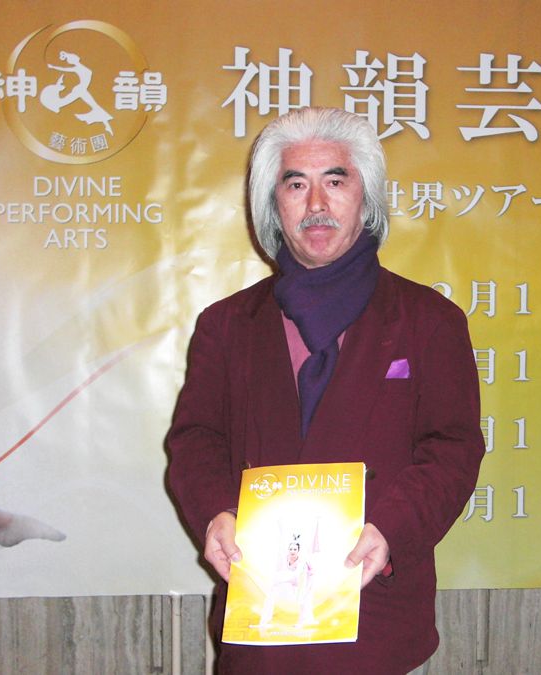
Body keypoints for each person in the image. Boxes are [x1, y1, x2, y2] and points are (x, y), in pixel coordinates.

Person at [166, 107, 484, 673]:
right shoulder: (226, 325)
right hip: (259, 610)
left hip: (374, 613)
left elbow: (453, 447)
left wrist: (391, 530)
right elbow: (195, 438)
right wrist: (216, 513)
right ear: (273, 204)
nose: (316, 203)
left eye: (335, 181)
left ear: (366, 197)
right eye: (295, 185)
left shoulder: (429, 321)